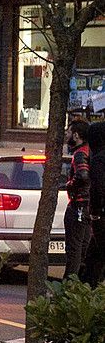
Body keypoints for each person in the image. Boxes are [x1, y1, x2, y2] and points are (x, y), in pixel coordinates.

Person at [65, 120, 92, 279]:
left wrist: (70, 184)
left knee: (74, 248)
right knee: (84, 246)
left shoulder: (80, 153)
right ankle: (81, 284)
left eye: (69, 132)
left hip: (79, 205)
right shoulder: (91, 151)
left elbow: (82, 175)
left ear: (76, 135)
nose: (66, 135)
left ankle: (69, 284)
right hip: (88, 206)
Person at [84, 120, 105, 286]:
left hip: (102, 215)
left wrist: (95, 213)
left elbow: (98, 187)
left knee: (96, 255)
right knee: (94, 256)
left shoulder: (98, 159)